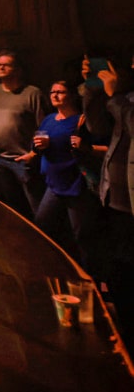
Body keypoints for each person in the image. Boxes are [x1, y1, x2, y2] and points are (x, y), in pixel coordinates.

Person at [80, 51, 134, 348]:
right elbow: (96, 128)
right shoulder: (124, 101)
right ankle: (124, 334)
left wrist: (115, 96)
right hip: (113, 200)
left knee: (127, 274)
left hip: (129, 209)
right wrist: (92, 89)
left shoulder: (125, 102)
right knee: (116, 272)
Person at [22, 79, 100, 263]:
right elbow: (37, 143)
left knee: (82, 235)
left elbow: (90, 148)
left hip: (75, 185)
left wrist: (77, 145)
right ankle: (53, 266)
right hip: (54, 184)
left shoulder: (80, 121)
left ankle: (89, 272)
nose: (55, 95)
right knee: (42, 226)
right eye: (52, 92)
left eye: (60, 92)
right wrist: (37, 148)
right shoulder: (49, 119)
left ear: (71, 96)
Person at [0, 49, 49, 219]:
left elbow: (44, 126)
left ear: (18, 69)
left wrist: (34, 154)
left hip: (23, 160)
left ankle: (42, 234)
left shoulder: (32, 94)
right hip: (0, 159)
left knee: (37, 208)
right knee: (14, 208)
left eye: (6, 65)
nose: (1, 68)